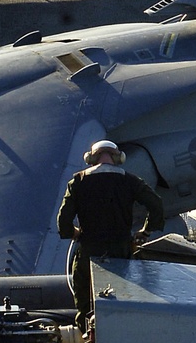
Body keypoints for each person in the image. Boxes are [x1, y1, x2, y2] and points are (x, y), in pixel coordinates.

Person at [57, 140, 165, 330]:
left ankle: (85, 340)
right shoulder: (130, 180)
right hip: (121, 251)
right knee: (122, 302)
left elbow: (64, 220)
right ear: (118, 158)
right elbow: (156, 205)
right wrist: (145, 231)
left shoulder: (78, 181)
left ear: (91, 158)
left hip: (89, 251)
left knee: (85, 305)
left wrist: (73, 233)